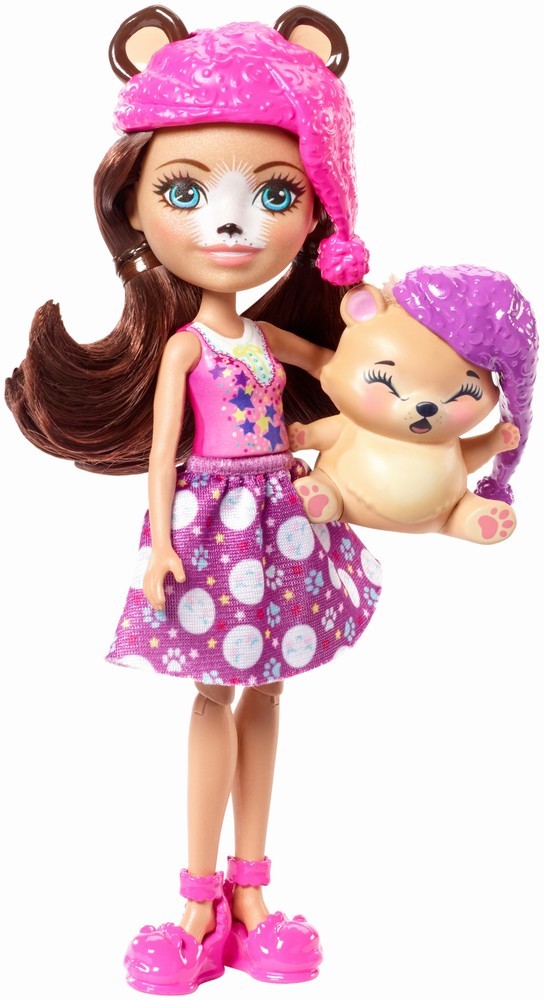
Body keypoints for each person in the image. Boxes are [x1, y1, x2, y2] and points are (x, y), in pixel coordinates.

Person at [5, 7, 382, 993]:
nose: (231, 223)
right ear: (135, 207)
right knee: (212, 693)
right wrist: (163, 543)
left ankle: (253, 889)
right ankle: (197, 895)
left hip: (283, 523)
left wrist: (404, 394)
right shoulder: (184, 347)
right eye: (185, 191)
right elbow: (167, 452)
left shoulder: (268, 338)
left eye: (276, 193)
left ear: (316, 214)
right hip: (213, 529)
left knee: (271, 691)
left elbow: (342, 377)